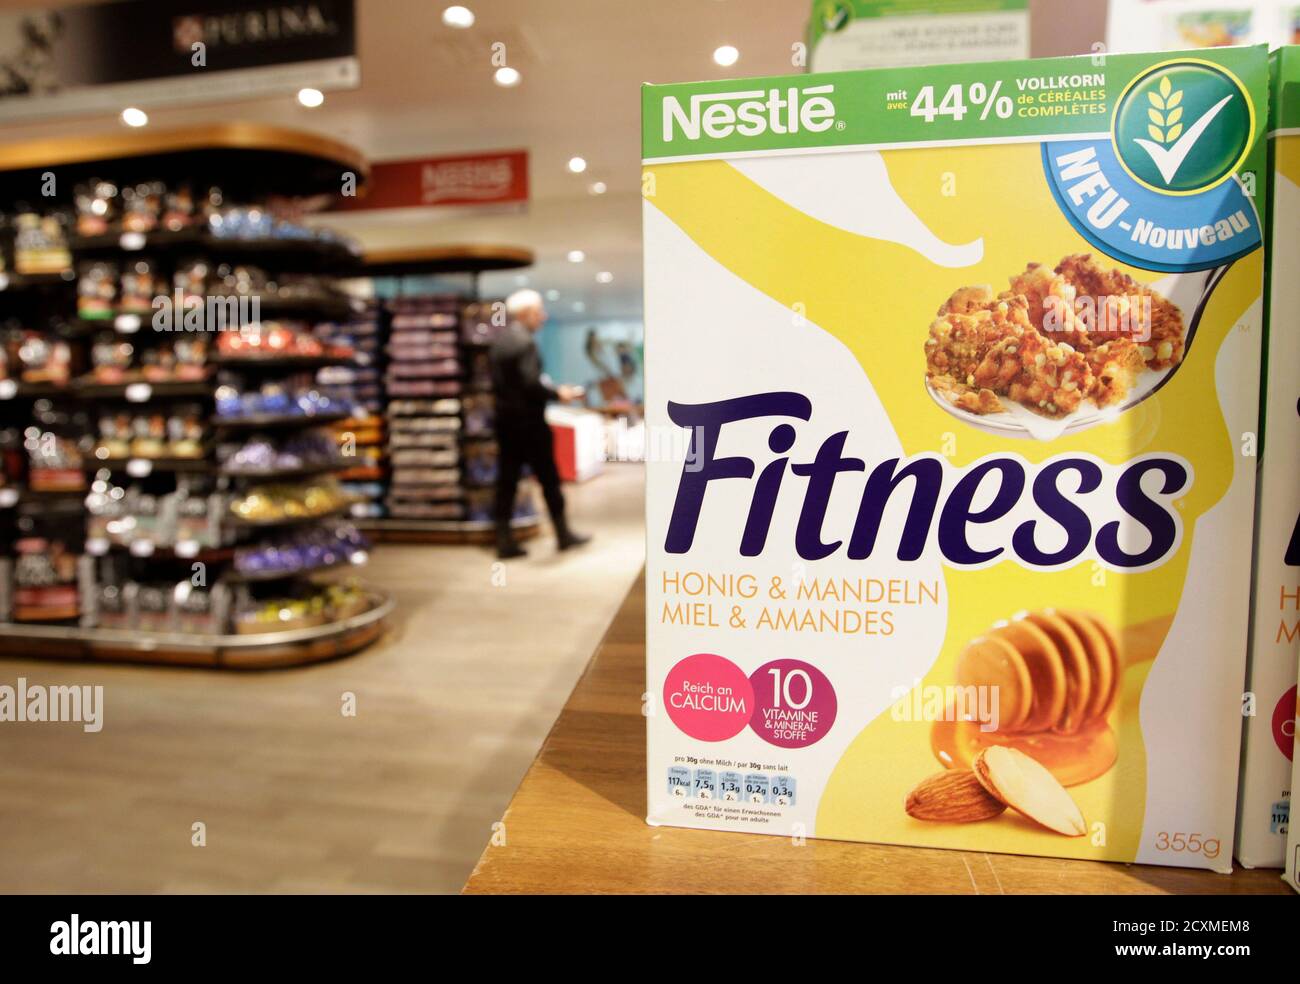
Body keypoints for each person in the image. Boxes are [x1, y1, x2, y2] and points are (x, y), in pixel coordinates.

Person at [488, 289, 591, 559]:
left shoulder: (500, 342)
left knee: (506, 481)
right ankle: (563, 534)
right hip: (530, 425)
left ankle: (503, 540)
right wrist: (559, 394)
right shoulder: (526, 344)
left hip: (505, 423)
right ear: (526, 313)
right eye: (539, 312)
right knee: (548, 478)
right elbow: (531, 383)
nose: (543, 317)